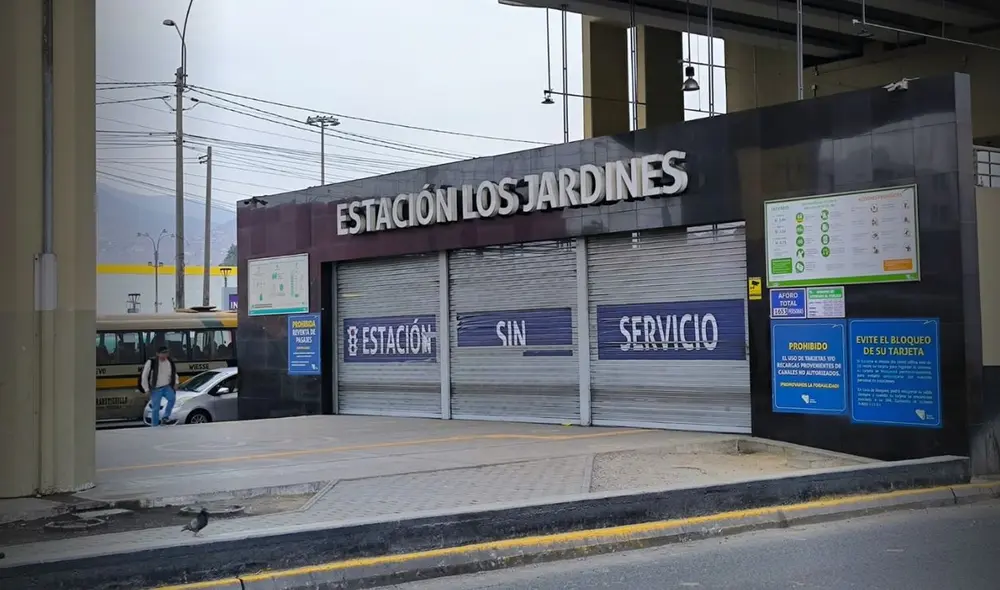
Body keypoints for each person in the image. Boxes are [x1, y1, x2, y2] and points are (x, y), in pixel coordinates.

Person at [141, 345, 179, 426]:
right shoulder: (151, 362)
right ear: (157, 354)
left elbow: (174, 373)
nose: (165, 355)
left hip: (167, 386)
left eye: (166, 353)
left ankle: (165, 417)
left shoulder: (169, 362)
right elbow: (144, 376)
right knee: (156, 408)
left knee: (172, 398)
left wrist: (176, 382)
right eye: (163, 353)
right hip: (156, 388)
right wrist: (146, 389)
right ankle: (154, 426)